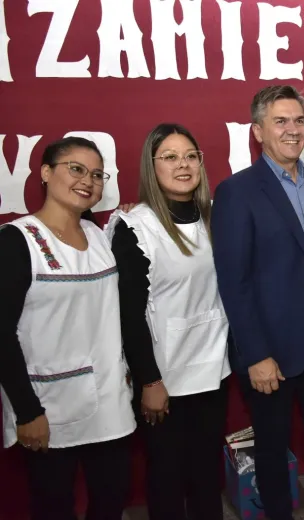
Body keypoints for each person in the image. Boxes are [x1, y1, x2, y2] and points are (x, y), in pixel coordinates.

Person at [211, 85, 304, 520]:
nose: (293, 129)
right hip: (270, 347)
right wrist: (256, 354)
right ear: (258, 131)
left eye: (299, 120)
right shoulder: (237, 191)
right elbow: (234, 281)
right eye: (280, 121)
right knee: (271, 446)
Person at [0, 137, 136, 520]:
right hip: (49, 406)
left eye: (97, 174)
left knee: (111, 500)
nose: (87, 181)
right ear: (45, 172)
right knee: (54, 507)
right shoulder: (17, 240)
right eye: (76, 169)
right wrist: (27, 412)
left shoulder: (98, 235)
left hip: (110, 402)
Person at [106, 123, 230, 520]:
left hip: (213, 370)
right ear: (151, 165)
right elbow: (128, 315)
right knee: (167, 479)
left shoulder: (217, 217)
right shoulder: (135, 227)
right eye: (171, 157)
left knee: (207, 476)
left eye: (191, 156)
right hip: (164, 379)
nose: (183, 165)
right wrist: (150, 381)